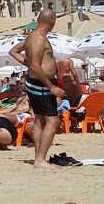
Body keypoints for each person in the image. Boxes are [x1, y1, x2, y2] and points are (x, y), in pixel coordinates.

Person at [10, 9, 66, 170]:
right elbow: (35, 65)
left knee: (40, 120)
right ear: (52, 22)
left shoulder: (32, 37)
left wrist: (28, 65)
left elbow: (13, 51)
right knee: (53, 121)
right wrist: (51, 86)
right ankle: (40, 159)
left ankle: (39, 157)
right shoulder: (38, 38)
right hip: (42, 84)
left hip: (37, 82)